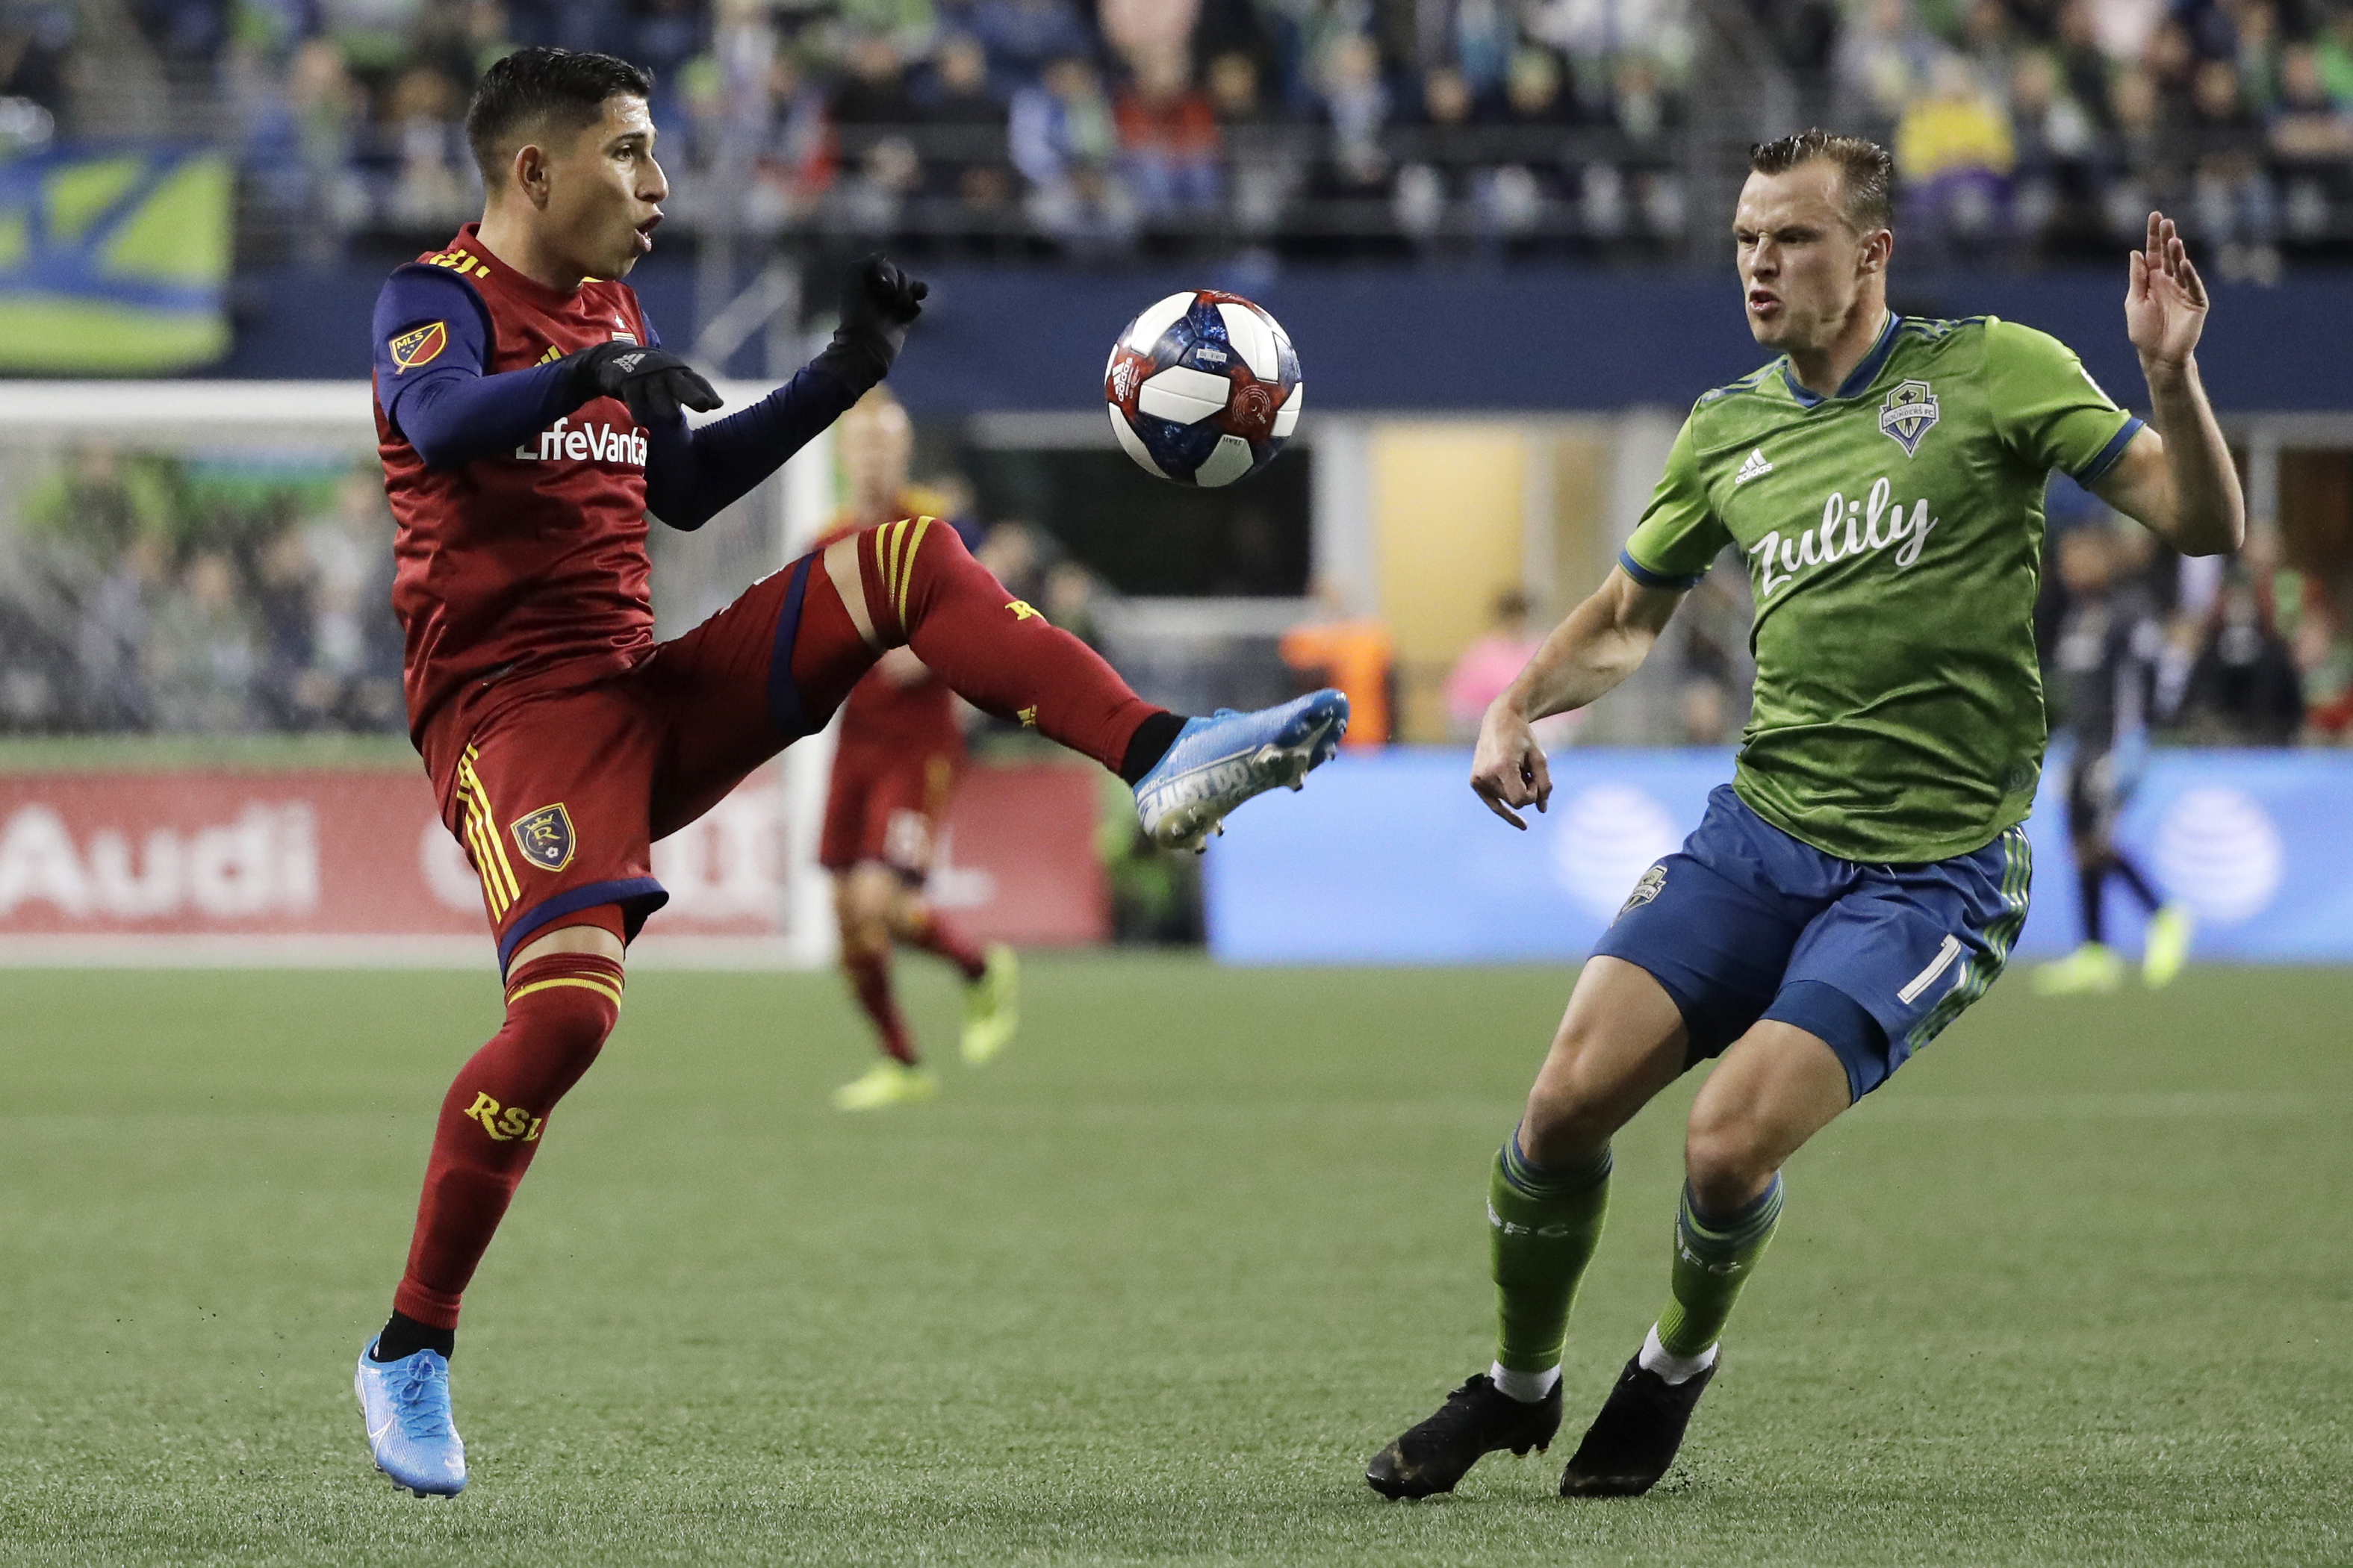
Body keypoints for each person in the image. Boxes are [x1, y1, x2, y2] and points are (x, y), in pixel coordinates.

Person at [353, 46, 1347, 1499]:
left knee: (902, 561)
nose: (659, 182)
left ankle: (1161, 751)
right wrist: (589, 368)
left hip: (645, 689)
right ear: (534, 170)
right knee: (565, 1019)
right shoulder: (430, 299)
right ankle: (409, 1349)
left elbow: (680, 482)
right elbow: (441, 425)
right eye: (631, 152)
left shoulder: (609, 307)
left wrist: (844, 373)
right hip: (513, 724)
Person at [1366, 129, 2241, 1503]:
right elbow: (1621, 621)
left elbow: (2200, 521)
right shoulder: (1727, 428)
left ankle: (1670, 1367)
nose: (1761, 266)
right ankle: (1516, 1388)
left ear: (1871, 251)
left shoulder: (1997, 372)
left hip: (1930, 873)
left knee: (1724, 1146)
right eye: (1746, 242)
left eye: (1792, 240)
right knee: (1561, 1108)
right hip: (1758, 833)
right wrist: (1513, 706)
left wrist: (2170, 378)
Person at [817, 389, 1017, 1112]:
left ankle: (980, 967)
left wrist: (930, 655)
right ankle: (900, 1060)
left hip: (920, 743)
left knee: (881, 902)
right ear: (843, 456)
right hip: (854, 745)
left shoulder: (932, 534)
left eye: (884, 447)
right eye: (860, 446)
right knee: (847, 915)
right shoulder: (823, 543)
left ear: (902, 456)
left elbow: (994, 621)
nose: (872, 459)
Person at [2031, 523, 2194, 995]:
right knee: (2081, 844)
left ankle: (2163, 915)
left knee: (2099, 841)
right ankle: (2095, 952)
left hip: (2113, 745)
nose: (2070, 568)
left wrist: (2131, 747)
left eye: (2079, 558)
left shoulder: (2130, 612)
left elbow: (2143, 682)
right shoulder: (2079, 616)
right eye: (2065, 560)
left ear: (2103, 560)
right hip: (2080, 744)